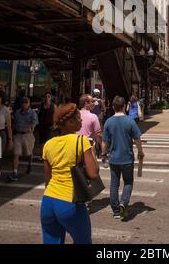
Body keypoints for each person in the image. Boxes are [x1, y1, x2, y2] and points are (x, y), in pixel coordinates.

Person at [40, 103, 99, 245]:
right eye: (78, 118)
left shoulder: (49, 144)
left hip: (48, 202)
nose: (81, 121)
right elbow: (93, 173)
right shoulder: (81, 140)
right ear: (69, 122)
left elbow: (48, 178)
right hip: (70, 201)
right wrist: (93, 153)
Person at [102, 96, 145, 220]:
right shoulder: (130, 121)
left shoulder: (108, 122)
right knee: (128, 181)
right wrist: (140, 151)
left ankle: (115, 210)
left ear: (113, 107)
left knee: (114, 184)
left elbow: (104, 142)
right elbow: (137, 138)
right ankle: (123, 203)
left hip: (113, 158)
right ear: (124, 106)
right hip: (127, 158)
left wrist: (104, 154)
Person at [7, 97, 38, 181]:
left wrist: (32, 128)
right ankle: (14, 172)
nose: (24, 104)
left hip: (28, 135)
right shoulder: (18, 112)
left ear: (29, 103)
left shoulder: (32, 113)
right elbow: (15, 122)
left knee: (29, 153)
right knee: (16, 154)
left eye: (26, 102)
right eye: (23, 102)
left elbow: (34, 122)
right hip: (18, 135)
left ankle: (30, 164)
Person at [0, 90, 13, 183]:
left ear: (2, 98)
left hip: (0, 135)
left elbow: (9, 126)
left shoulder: (5, 110)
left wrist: (10, 140)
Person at [38, 92, 57, 159]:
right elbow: (39, 114)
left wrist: (54, 124)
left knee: (48, 140)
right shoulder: (42, 105)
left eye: (48, 96)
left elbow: (55, 116)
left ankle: (48, 155)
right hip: (42, 125)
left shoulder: (53, 106)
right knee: (41, 141)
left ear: (51, 98)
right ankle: (41, 154)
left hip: (50, 125)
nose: (47, 98)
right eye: (46, 96)